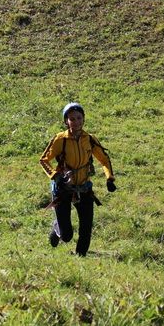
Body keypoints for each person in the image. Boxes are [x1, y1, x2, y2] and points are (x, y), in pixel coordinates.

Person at [39, 103, 116, 256]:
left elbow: (104, 160)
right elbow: (44, 160)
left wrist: (109, 178)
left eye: (79, 118)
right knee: (67, 236)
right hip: (63, 189)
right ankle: (57, 228)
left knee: (86, 228)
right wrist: (55, 176)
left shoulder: (90, 139)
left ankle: (81, 257)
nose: (76, 122)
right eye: (72, 119)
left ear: (84, 119)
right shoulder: (60, 139)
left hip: (84, 188)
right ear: (66, 121)